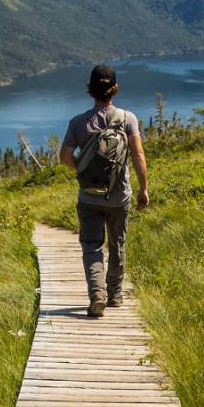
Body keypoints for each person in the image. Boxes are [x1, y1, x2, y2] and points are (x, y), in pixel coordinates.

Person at [59, 64, 149, 317]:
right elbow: (138, 154)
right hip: (119, 196)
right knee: (117, 244)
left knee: (91, 246)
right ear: (115, 89)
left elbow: (64, 156)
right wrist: (144, 189)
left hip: (89, 196)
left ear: (91, 90)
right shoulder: (128, 119)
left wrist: (83, 172)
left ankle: (96, 294)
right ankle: (115, 295)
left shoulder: (78, 122)